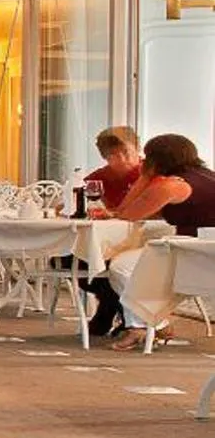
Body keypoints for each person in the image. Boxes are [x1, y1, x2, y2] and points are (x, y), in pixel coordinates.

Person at [89, 133, 215, 346]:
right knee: (132, 262)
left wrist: (144, 177)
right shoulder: (205, 176)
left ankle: (149, 326)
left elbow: (127, 213)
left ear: (158, 159)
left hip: (194, 255)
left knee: (120, 267)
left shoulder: (170, 185)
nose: (143, 161)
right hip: (203, 250)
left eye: (147, 157)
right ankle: (150, 324)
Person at [84, 126, 142, 211]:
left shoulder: (153, 172)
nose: (121, 159)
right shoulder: (100, 177)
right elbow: (71, 199)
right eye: (113, 154)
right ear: (105, 157)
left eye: (125, 151)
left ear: (138, 148)